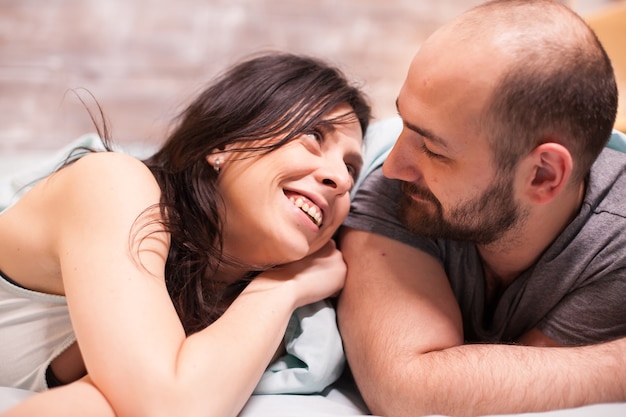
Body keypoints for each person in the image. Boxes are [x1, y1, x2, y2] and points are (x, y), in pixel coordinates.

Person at [0, 52, 371, 417]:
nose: (340, 179)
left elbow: (100, 404)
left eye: (351, 168)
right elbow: (168, 407)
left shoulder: (249, 314)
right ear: (223, 143)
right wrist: (282, 286)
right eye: (313, 135)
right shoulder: (112, 185)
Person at [337, 0, 626, 416]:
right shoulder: (400, 191)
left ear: (543, 175)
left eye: (434, 150)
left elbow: (486, 395)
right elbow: (405, 389)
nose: (394, 166)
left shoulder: (613, 245)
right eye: (404, 124)